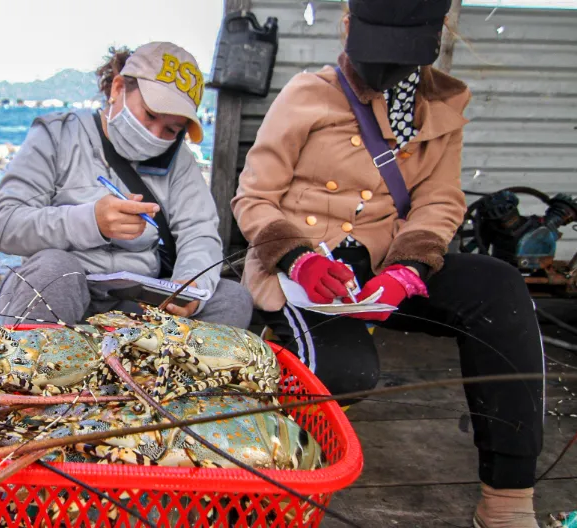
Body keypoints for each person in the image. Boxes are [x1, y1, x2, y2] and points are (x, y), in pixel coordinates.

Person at [230, 1, 544, 527]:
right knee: (345, 372)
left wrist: (408, 269)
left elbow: (439, 202)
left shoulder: (442, 107)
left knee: (499, 288)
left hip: (383, 270)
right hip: (304, 274)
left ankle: (507, 497)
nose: (386, 70)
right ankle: (259, 488)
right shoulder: (307, 94)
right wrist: (299, 259)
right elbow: (252, 197)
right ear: (349, 27)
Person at [0, 42, 253, 330]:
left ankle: (161, 374)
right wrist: (92, 222)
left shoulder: (180, 160)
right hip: (64, 293)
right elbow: (5, 226)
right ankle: (33, 369)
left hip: (139, 303)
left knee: (232, 299)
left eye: (171, 130)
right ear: (118, 89)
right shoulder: (57, 134)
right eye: (151, 115)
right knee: (54, 271)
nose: (154, 135)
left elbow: (199, 232)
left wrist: (190, 284)